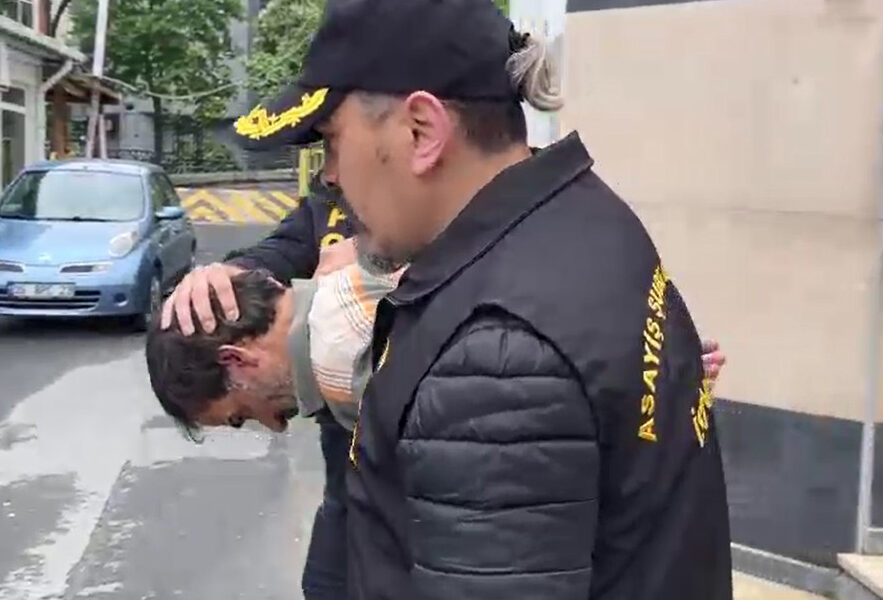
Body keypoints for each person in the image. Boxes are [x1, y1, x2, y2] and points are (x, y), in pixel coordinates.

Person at [155, 1, 732, 599]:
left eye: (331, 141)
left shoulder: (491, 358)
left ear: (421, 131)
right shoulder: (586, 216)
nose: (328, 176)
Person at [160, 174, 357, 600]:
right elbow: (289, 247)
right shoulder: (336, 194)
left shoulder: (381, 347)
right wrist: (230, 276)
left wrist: (392, 253)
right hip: (350, 481)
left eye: (241, 416)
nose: (277, 427)